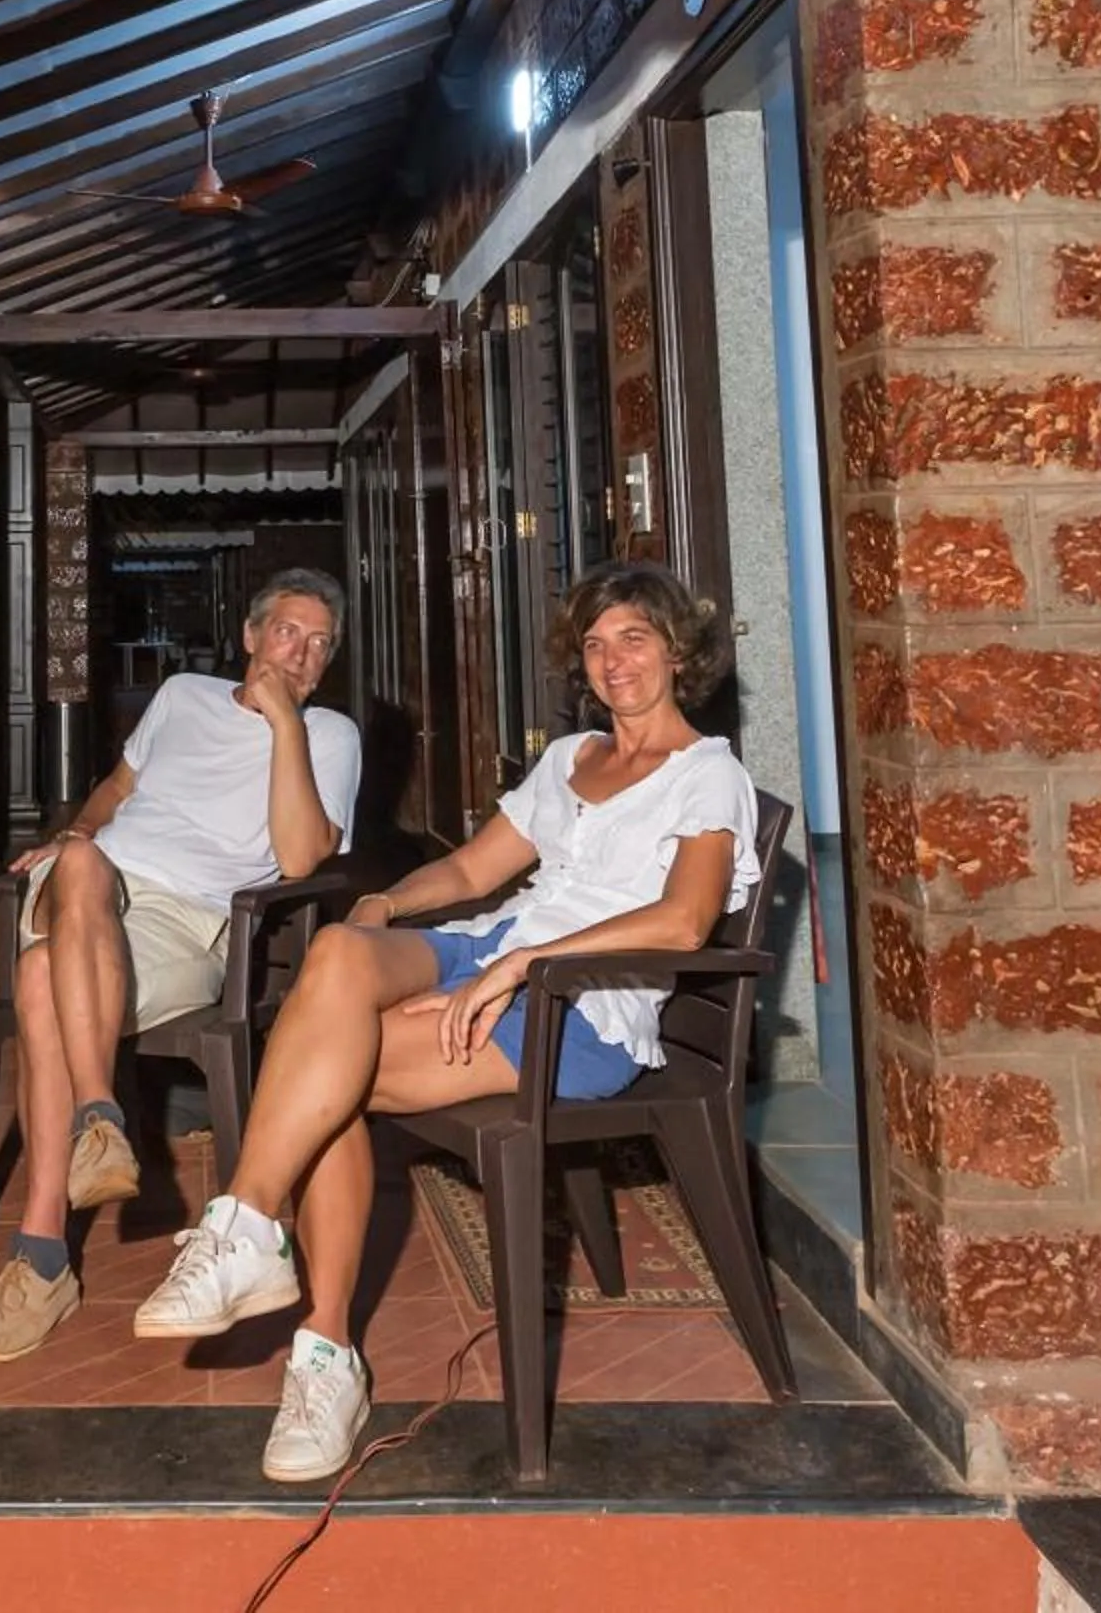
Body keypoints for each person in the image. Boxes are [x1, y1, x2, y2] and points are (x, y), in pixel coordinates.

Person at [129, 561, 759, 1484]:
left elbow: (683, 921)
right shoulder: (569, 760)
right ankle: (251, 1230)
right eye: (595, 644)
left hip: (583, 1006)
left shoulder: (707, 774)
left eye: (634, 639)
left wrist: (521, 967)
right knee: (339, 954)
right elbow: (469, 873)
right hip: (495, 945)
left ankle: (320, 1346)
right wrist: (384, 904)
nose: (613, 661)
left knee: (324, 1077)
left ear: (677, 651)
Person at [0, 570, 362, 1365]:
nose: (300, 653)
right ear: (250, 636)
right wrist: (73, 834)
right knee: (81, 862)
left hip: (188, 925)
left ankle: (43, 1254)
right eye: (287, 632)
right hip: (92, 885)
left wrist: (285, 726)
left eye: (320, 644)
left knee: (38, 979)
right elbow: (115, 789)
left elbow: (299, 856)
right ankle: (100, 1116)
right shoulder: (181, 696)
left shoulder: (330, 736)